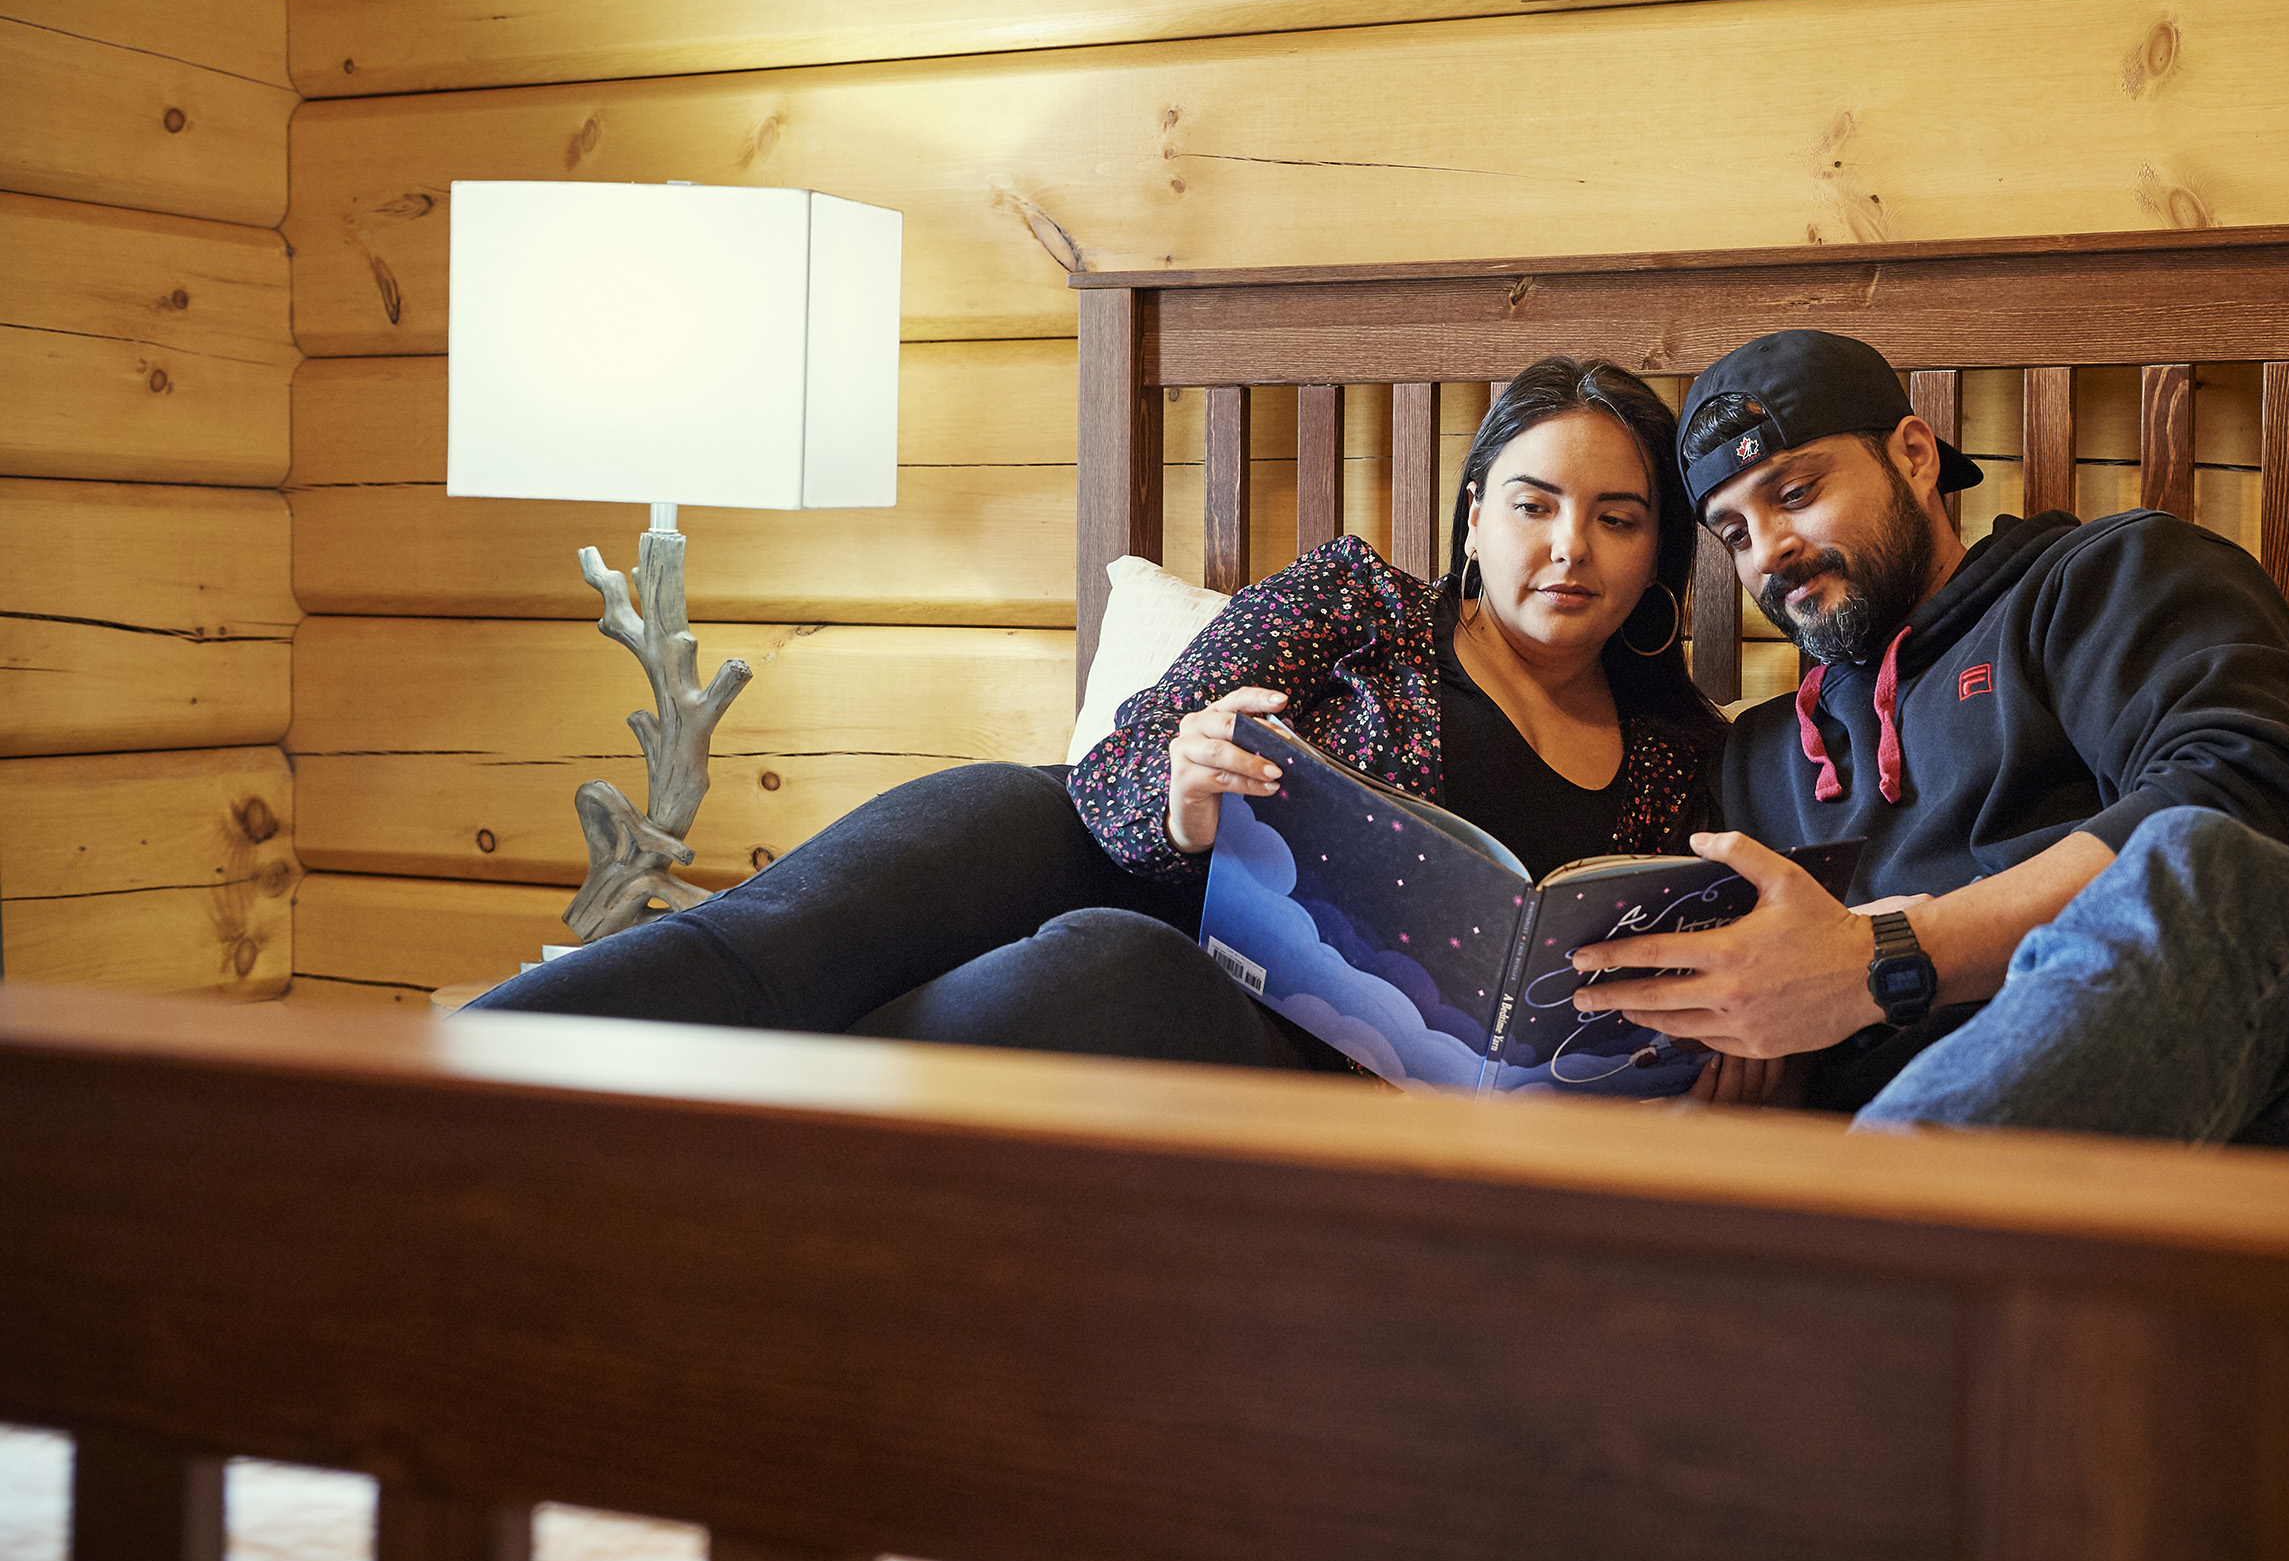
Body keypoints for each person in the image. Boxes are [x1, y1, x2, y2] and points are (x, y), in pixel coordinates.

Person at [1568, 328, 2289, 1242]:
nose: (1771, 550)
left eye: (1796, 491)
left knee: (2186, 859)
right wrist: (1765, 1055)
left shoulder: (2103, 578)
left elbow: (2257, 794)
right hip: (2100, 1171)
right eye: (1735, 531)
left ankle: (1844, 1279)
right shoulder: (1753, 765)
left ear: (1916, 456)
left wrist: (1881, 958)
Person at [469, 356, 1748, 1084]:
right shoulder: (1355, 596)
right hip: (1092, 840)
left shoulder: (1682, 762)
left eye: (1617, 518)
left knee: (1114, 968)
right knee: (813, 916)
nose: (1568, 546)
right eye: (1531, 503)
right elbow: (1121, 758)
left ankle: (750, 1152)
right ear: (1474, 517)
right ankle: (417, 1095)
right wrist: (1185, 792)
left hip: (1288, 1045)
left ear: (1658, 558)